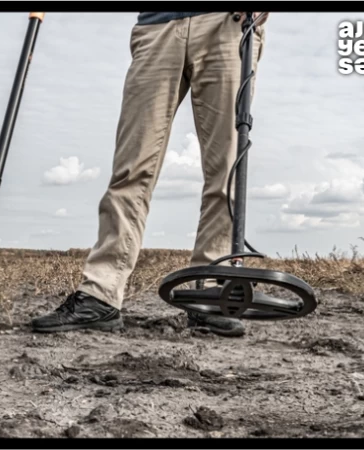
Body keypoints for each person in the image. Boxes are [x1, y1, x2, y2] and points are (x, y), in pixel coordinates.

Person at [30, 12, 268, 337]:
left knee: (226, 170)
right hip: (158, 25)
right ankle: (100, 294)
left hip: (226, 23)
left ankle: (212, 290)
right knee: (131, 168)